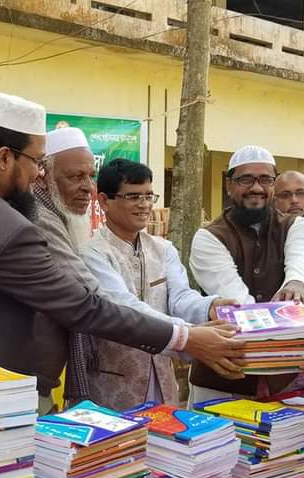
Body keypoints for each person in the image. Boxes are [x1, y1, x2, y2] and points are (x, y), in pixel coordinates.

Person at [0, 91, 247, 414]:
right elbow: (86, 307)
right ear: (4, 157)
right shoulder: (8, 229)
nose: (38, 174)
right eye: (36, 162)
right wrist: (184, 338)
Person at [82, 159, 227, 410]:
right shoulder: (92, 253)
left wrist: (210, 307)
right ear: (104, 201)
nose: (144, 205)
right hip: (113, 385)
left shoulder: (163, 249)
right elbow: (123, 306)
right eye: (133, 196)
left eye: (149, 196)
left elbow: (180, 298)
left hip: (163, 379)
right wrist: (190, 335)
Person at [187, 145, 304, 401]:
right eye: (246, 179)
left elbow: (300, 260)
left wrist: (296, 282)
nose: (256, 188)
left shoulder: (295, 226)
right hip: (223, 376)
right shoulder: (209, 237)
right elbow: (238, 305)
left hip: (285, 378)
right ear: (229, 185)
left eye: (266, 179)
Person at [28, 126, 103, 407]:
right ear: (44, 176)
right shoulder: (40, 217)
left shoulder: (58, 214)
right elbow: (88, 291)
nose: (88, 187)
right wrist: (174, 334)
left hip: (38, 378)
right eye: (75, 177)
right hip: (24, 382)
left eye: (91, 176)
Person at [273, 169, 304, 237]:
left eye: (301, 193)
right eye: (285, 195)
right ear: (274, 201)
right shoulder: (266, 233)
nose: (294, 200)